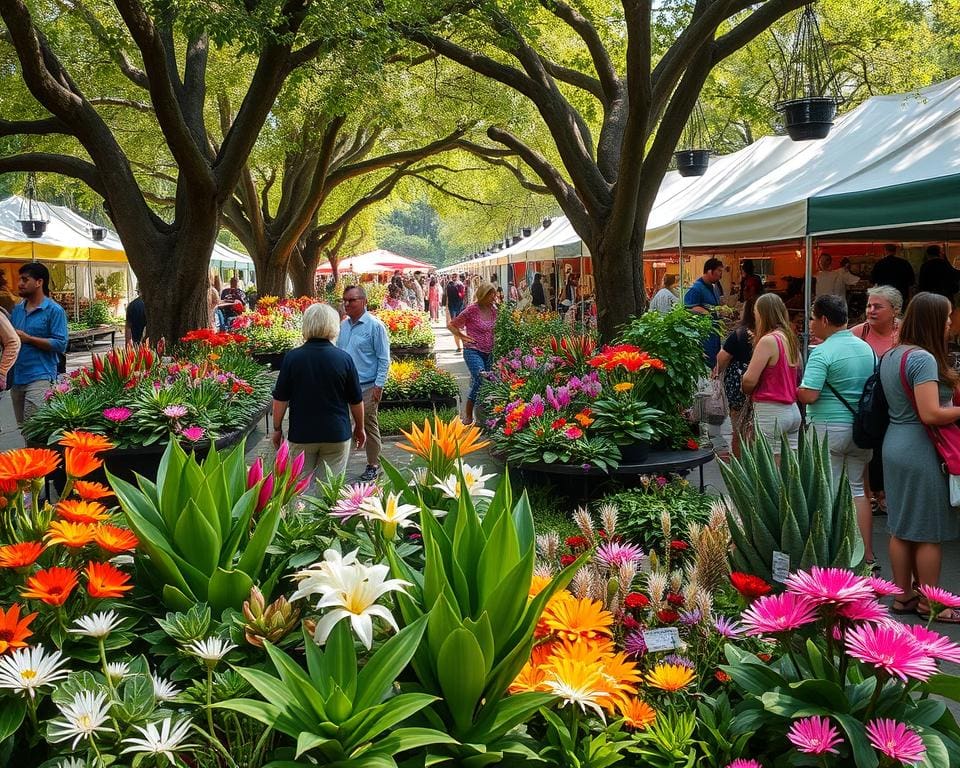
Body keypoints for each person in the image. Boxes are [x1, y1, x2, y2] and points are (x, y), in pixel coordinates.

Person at [881, 292, 960, 622]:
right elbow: (930, 413)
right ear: (931, 320)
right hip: (922, 448)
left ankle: (904, 597)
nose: (949, 322)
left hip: (895, 444)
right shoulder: (923, 359)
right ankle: (931, 603)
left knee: (901, 526)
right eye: (944, 317)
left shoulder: (893, 354)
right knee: (928, 530)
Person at [797, 295, 877, 568]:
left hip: (828, 428)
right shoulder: (866, 349)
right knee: (857, 490)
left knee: (827, 489)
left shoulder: (822, 352)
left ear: (825, 320)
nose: (810, 323)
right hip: (861, 429)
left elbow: (809, 395)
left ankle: (833, 555)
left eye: (812, 318)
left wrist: (797, 389)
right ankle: (866, 554)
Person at [272, 303, 365, 480]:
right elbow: (356, 400)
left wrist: (277, 428)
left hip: (302, 433)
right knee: (329, 491)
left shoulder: (293, 358)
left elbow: (281, 399)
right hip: (336, 433)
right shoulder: (344, 358)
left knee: (298, 492)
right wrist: (360, 427)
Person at [848, 285, 903, 515]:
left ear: (895, 310)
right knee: (869, 450)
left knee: (892, 450)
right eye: (869, 305)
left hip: (898, 403)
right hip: (869, 404)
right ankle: (870, 493)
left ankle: (888, 493)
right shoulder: (858, 333)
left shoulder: (905, 331)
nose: (871, 310)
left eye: (877, 306)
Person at [337, 285, 390, 483]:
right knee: (343, 425)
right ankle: (340, 466)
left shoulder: (375, 326)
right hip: (344, 387)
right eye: (345, 300)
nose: (347, 304)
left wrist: (379, 385)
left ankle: (373, 465)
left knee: (368, 425)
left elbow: (384, 358)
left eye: (352, 300)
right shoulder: (344, 325)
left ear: (364, 301)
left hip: (367, 386)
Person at [741, 293, 802, 458]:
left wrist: (745, 386)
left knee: (770, 472)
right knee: (789, 470)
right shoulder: (790, 339)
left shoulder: (768, 341)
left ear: (762, 314)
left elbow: (749, 379)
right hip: (793, 410)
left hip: (771, 411)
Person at [10, 263, 67, 426]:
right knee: (24, 428)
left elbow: (61, 344)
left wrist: (29, 339)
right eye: (20, 279)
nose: (20, 283)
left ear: (39, 282)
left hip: (41, 376)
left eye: (25, 279)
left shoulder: (54, 310)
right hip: (17, 377)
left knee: (35, 427)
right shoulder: (17, 309)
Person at [449, 281, 497, 426]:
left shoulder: (494, 310)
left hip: (489, 350)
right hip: (473, 350)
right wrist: (463, 337)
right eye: (491, 294)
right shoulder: (472, 310)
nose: (493, 297)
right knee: (481, 377)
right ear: (483, 295)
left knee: (488, 381)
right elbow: (452, 325)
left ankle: (483, 415)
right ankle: (468, 414)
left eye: (494, 294)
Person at [714, 296, 757, 457]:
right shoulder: (776, 335)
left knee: (739, 429)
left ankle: (740, 461)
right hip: (763, 392)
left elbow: (722, 359)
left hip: (739, 390)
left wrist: (716, 374)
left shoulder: (739, 334)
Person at [684, 258, 723, 368]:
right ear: (710, 271)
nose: (721, 275)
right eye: (719, 271)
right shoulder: (696, 288)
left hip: (714, 334)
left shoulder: (714, 288)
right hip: (704, 338)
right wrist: (706, 312)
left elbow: (714, 306)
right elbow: (688, 308)